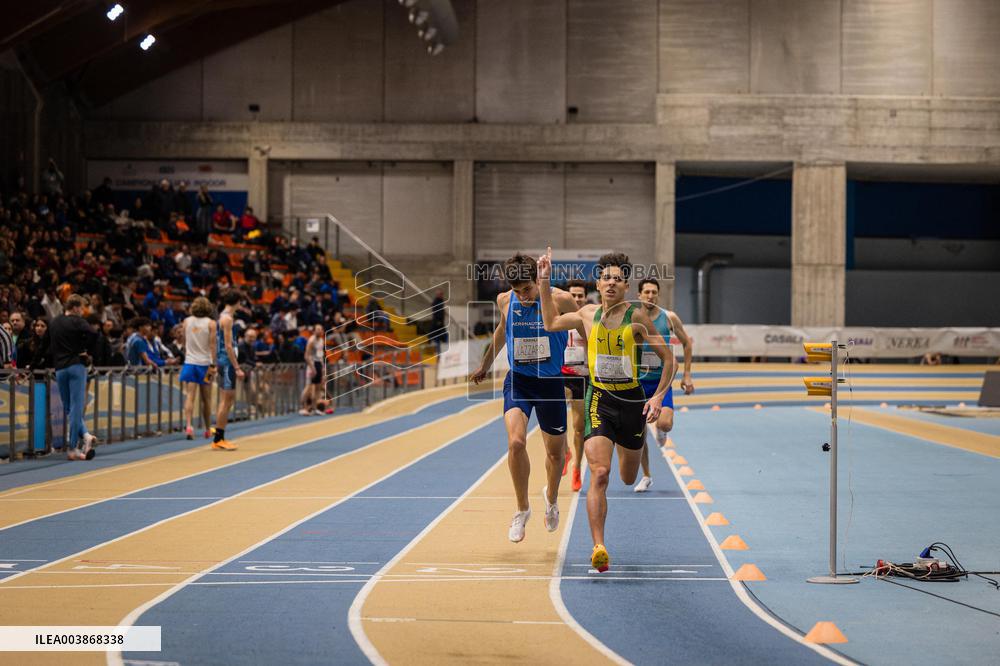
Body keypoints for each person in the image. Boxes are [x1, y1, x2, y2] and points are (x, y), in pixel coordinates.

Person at [538, 249, 674, 572]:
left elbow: (670, 359)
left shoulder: (637, 318)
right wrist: (544, 282)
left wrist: (657, 397)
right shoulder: (586, 314)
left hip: (632, 401)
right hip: (599, 399)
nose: (611, 283)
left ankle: (635, 463)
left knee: (627, 477)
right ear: (598, 284)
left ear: (626, 286)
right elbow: (550, 321)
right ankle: (599, 546)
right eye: (605, 278)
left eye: (617, 279)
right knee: (599, 472)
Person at [469, 252, 579, 543]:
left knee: (555, 455)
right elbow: (502, 332)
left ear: (538, 280)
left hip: (551, 384)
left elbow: (584, 328)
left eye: (528, 289)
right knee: (516, 442)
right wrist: (485, 364)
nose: (524, 296)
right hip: (519, 380)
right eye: (518, 291)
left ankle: (552, 499)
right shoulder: (505, 300)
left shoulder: (562, 299)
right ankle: (522, 509)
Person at [633, 278, 695, 493]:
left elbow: (686, 343)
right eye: (646, 292)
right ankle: (646, 475)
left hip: (662, 381)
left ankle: (661, 429)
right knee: (638, 434)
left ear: (658, 295)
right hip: (638, 382)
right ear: (639, 294)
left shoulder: (668, 318)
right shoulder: (632, 318)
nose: (650, 296)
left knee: (666, 423)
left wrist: (686, 375)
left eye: (654, 292)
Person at [49, 294, 98, 460]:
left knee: (69, 407)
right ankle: (73, 447)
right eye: (81, 308)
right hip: (76, 365)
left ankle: (86, 436)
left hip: (60, 368)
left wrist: (34, 365)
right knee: (77, 406)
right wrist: (85, 349)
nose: (82, 312)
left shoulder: (54, 321)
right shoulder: (78, 321)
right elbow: (94, 334)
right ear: (76, 307)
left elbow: (46, 345)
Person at [560, 280, 590, 492]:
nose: (577, 299)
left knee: (579, 428)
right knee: (555, 421)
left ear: (586, 297)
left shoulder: (590, 320)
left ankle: (577, 467)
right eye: (573, 295)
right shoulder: (559, 319)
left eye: (580, 295)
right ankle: (564, 451)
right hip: (561, 375)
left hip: (583, 377)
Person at [181, 297, 217, 440]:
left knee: (190, 396)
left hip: (190, 363)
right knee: (206, 398)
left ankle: (189, 426)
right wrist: (213, 364)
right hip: (205, 366)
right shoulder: (211, 323)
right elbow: (213, 345)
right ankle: (207, 429)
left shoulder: (186, 321)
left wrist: (188, 353)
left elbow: (184, 341)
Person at [212, 291, 244, 451]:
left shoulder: (223, 317)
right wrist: (236, 367)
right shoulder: (227, 319)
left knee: (227, 400)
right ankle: (218, 438)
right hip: (227, 363)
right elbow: (228, 345)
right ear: (237, 302)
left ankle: (219, 432)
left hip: (224, 361)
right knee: (227, 400)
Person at [299, 324, 326, 415]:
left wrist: (322, 367)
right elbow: (306, 356)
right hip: (312, 364)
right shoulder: (311, 341)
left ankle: (314, 408)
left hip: (318, 364)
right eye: (317, 329)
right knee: (309, 387)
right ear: (314, 331)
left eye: (320, 329)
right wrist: (312, 368)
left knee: (318, 388)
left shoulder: (321, 340)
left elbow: (321, 355)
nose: (319, 331)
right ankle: (303, 407)